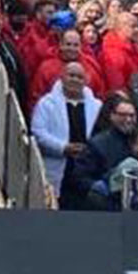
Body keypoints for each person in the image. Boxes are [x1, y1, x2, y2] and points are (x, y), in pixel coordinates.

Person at [33, 61, 101, 197]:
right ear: (62, 77)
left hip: (85, 170)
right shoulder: (46, 104)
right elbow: (38, 132)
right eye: (71, 75)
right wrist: (63, 147)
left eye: (80, 77)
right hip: (56, 165)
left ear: (86, 81)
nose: (75, 80)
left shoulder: (97, 106)